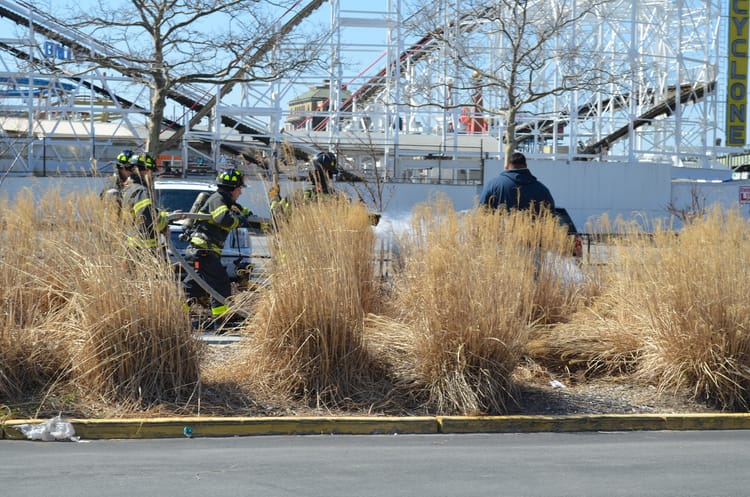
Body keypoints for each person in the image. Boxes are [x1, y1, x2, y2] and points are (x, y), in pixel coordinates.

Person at [182, 168, 254, 321]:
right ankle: (222, 321)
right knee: (220, 284)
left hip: (200, 252)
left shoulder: (226, 201)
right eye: (239, 189)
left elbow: (246, 212)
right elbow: (224, 219)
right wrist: (239, 220)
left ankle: (176, 316)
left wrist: (245, 215)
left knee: (192, 288)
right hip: (203, 251)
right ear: (232, 188)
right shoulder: (218, 199)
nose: (240, 193)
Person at [479, 151, 555, 214]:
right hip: (533, 231)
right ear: (526, 165)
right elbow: (551, 216)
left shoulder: (493, 185)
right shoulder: (542, 189)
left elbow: (481, 211)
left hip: (498, 231)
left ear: (508, 165)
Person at [121, 152, 169, 252]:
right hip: (145, 249)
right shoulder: (141, 190)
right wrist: (164, 224)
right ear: (144, 171)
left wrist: (167, 216)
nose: (153, 177)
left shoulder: (129, 189)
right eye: (152, 173)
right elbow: (146, 215)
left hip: (133, 247)